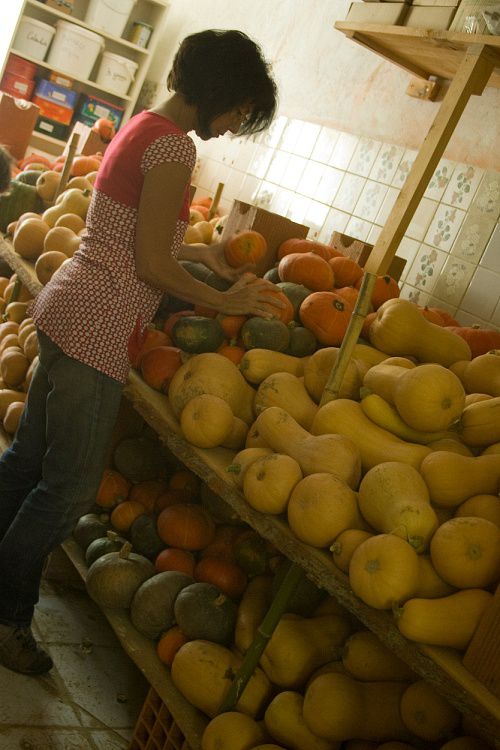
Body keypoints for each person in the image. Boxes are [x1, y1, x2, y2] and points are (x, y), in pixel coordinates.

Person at [0, 29, 281, 675]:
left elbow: (133, 239)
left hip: (69, 306)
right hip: (96, 329)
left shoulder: (145, 127)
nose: (238, 122)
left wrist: (203, 254)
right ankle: (9, 620)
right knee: (65, 493)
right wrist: (225, 303)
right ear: (217, 91)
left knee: (25, 463)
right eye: (240, 107)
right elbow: (150, 264)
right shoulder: (174, 150)